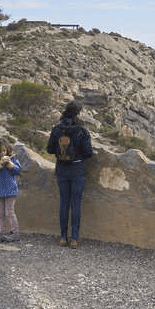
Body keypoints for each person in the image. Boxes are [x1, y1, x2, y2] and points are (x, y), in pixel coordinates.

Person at [46, 101, 94, 249]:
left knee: (64, 203)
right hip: (78, 169)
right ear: (78, 113)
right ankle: (74, 238)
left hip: (62, 169)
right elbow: (88, 153)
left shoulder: (57, 129)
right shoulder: (82, 131)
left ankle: (62, 237)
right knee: (76, 204)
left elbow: (49, 150)